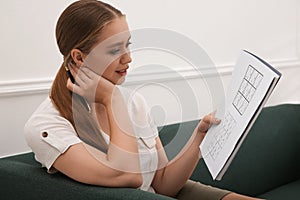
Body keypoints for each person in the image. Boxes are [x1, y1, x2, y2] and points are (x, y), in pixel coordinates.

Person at [24, 1, 260, 199]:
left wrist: (199, 137)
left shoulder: (134, 102)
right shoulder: (46, 126)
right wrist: (112, 99)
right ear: (78, 57)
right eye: (115, 50)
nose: (128, 58)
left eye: (128, 46)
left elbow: (163, 184)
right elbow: (129, 176)